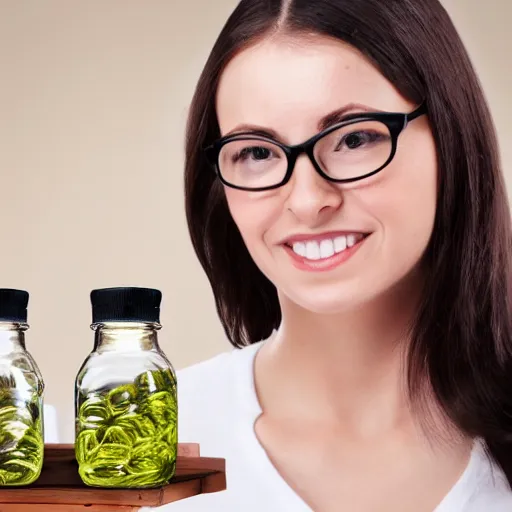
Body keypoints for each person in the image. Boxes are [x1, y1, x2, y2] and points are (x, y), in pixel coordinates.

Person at [148, 0, 512, 510]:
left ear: (449, 138)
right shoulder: (149, 447)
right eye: (256, 152)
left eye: (354, 138)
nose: (307, 200)